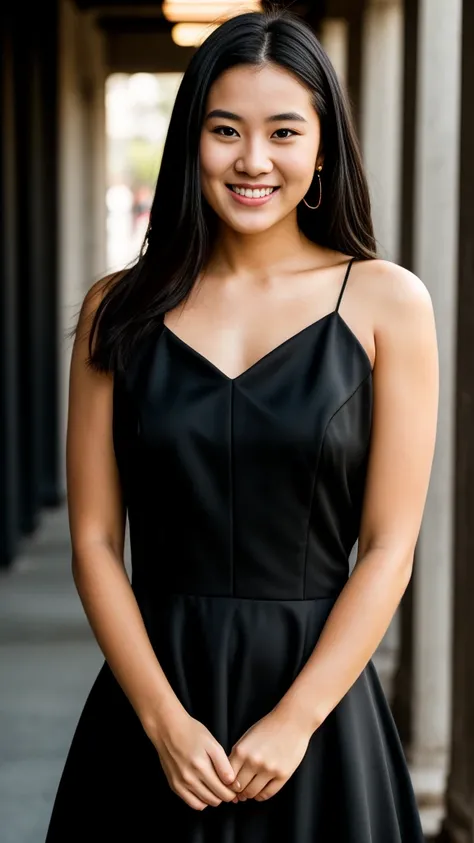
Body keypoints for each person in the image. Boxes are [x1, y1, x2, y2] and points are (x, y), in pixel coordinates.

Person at [45, 7, 438, 842]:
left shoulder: (386, 303)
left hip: (320, 708)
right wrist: (162, 721)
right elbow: (91, 542)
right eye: (226, 130)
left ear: (323, 147)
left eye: (284, 132)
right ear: (192, 140)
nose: (253, 160)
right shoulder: (116, 309)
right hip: (153, 701)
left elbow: (392, 546)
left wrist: (297, 718)